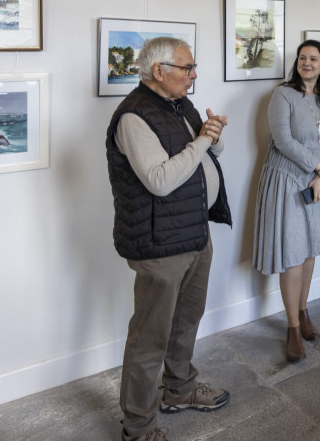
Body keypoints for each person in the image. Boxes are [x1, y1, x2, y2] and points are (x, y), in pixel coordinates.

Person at [106, 37, 232, 441]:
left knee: (186, 321)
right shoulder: (133, 117)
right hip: (160, 243)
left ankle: (179, 390)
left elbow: (205, 153)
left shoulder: (180, 104)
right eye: (187, 68)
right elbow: (160, 181)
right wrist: (203, 141)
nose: (193, 76)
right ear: (159, 71)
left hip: (194, 231)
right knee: (150, 337)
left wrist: (214, 135)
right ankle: (138, 428)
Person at [252, 40, 320, 362]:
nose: (307, 63)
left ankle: (303, 311)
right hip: (287, 181)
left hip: (318, 184)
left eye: (313, 59)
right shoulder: (282, 95)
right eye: (303, 58)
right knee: (292, 253)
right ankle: (292, 327)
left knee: (309, 250)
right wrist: (318, 166)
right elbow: (282, 140)